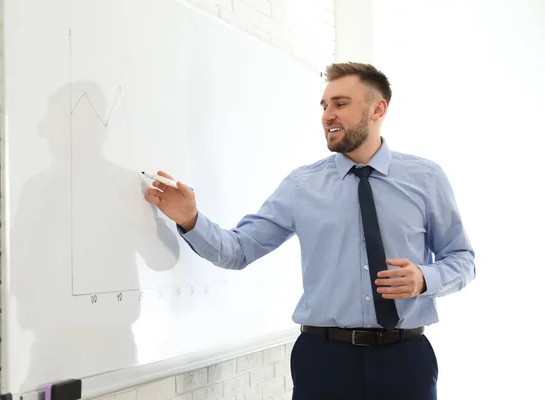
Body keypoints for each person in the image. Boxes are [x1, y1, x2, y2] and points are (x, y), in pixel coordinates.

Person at [144, 62, 475, 400]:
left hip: (405, 360)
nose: (327, 115)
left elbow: (462, 259)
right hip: (324, 361)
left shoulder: (426, 178)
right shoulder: (302, 186)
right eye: (324, 105)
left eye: (341, 104)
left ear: (378, 109)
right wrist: (190, 220)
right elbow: (240, 250)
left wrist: (424, 278)